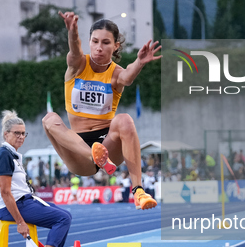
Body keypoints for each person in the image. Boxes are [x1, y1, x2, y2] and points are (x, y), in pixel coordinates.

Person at [42, 12, 160, 210]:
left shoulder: (115, 74)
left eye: (106, 42)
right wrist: (72, 32)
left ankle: (138, 190)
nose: (99, 47)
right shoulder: (78, 65)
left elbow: (128, 77)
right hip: (80, 154)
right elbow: (75, 51)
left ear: (116, 46)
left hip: (108, 145)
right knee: (49, 118)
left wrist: (139, 62)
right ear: (88, 42)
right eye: (95, 41)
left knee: (124, 119)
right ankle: (94, 155)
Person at [0, 110, 72, 247]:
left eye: (23, 133)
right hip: (12, 206)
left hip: (24, 201)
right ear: (6, 135)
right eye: (17, 133)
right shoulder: (4, 156)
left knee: (65, 215)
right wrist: (20, 222)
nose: (21, 137)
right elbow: (6, 193)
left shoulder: (12, 155)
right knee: (62, 219)